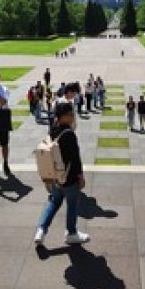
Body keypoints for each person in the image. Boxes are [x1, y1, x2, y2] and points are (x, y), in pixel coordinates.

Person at [34, 102, 89, 246]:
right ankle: (71, 233)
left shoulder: (53, 130)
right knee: (72, 204)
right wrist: (81, 176)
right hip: (68, 177)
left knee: (54, 202)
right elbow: (75, 159)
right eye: (69, 115)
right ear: (62, 116)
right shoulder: (68, 134)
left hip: (54, 177)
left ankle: (41, 229)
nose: (72, 117)